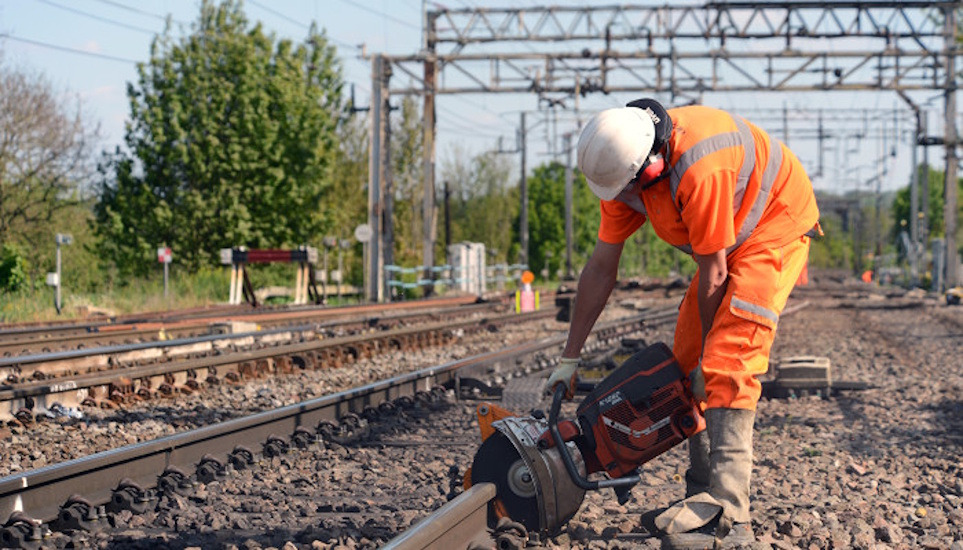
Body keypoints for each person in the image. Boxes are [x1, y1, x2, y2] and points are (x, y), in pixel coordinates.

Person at [545, 99, 820, 549]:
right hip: (726, 245)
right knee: (686, 361)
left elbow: (714, 270)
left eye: (633, 191)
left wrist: (706, 366)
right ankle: (701, 501)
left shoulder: (699, 168)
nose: (628, 204)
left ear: (650, 166)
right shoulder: (622, 172)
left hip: (772, 228)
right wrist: (569, 358)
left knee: (726, 359)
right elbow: (600, 269)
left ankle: (731, 517)